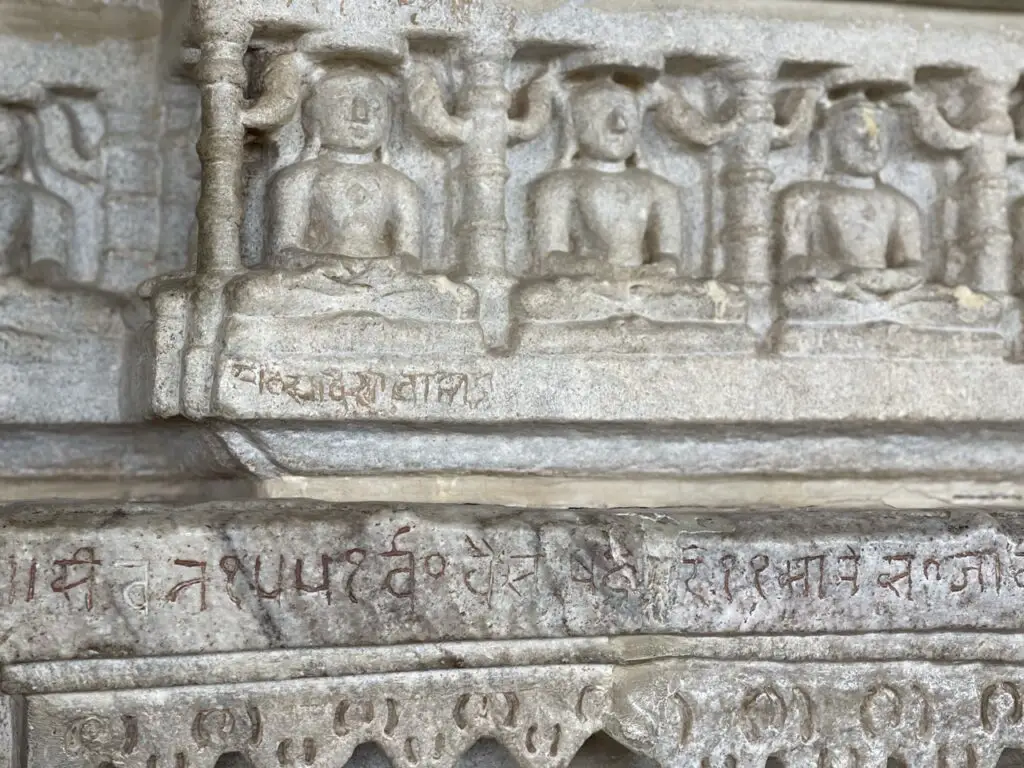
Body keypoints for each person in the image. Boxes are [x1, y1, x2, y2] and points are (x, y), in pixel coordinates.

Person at [529, 76, 683, 276]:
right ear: (573, 125)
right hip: (588, 285)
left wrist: (664, 267)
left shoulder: (660, 188)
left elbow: (669, 254)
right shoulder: (559, 185)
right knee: (535, 298)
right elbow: (550, 259)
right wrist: (592, 268)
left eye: (628, 113)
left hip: (643, 286)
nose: (619, 125)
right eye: (600, 112)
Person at [776, 92, 925, 295]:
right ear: (828, 139)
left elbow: (914, 266)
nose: (872, 145)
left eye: (879, 136)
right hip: (831, 293)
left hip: (887, 294)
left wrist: (884, 278)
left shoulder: (901, 205)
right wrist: (848, 273)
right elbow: (790, 265)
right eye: (858, 134)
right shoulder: (804, 197)